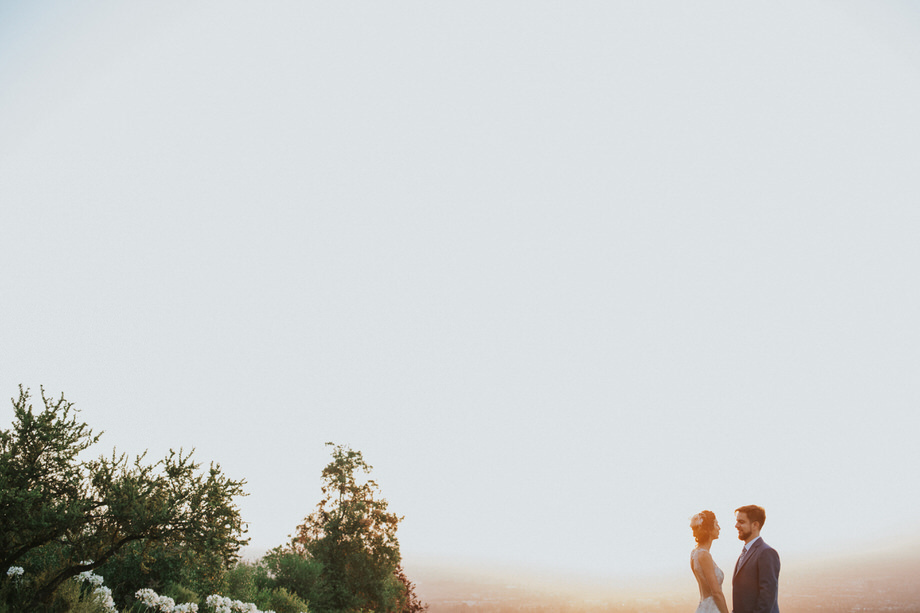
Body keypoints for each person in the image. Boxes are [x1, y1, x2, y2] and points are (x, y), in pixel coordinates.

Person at [732, 504, 780, 613]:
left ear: (755, 525)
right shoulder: (746, 552)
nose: (736, 525)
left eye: (741, 522)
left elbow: (767, 595)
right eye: (737, 521)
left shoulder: (766, 552)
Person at [690, 510, 730, 613]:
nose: (719, 528)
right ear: (709, 529)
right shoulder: (704, 555)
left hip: (703, 607)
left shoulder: (694, 554)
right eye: (716, 524)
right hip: (712, 609)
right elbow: (716, 593)